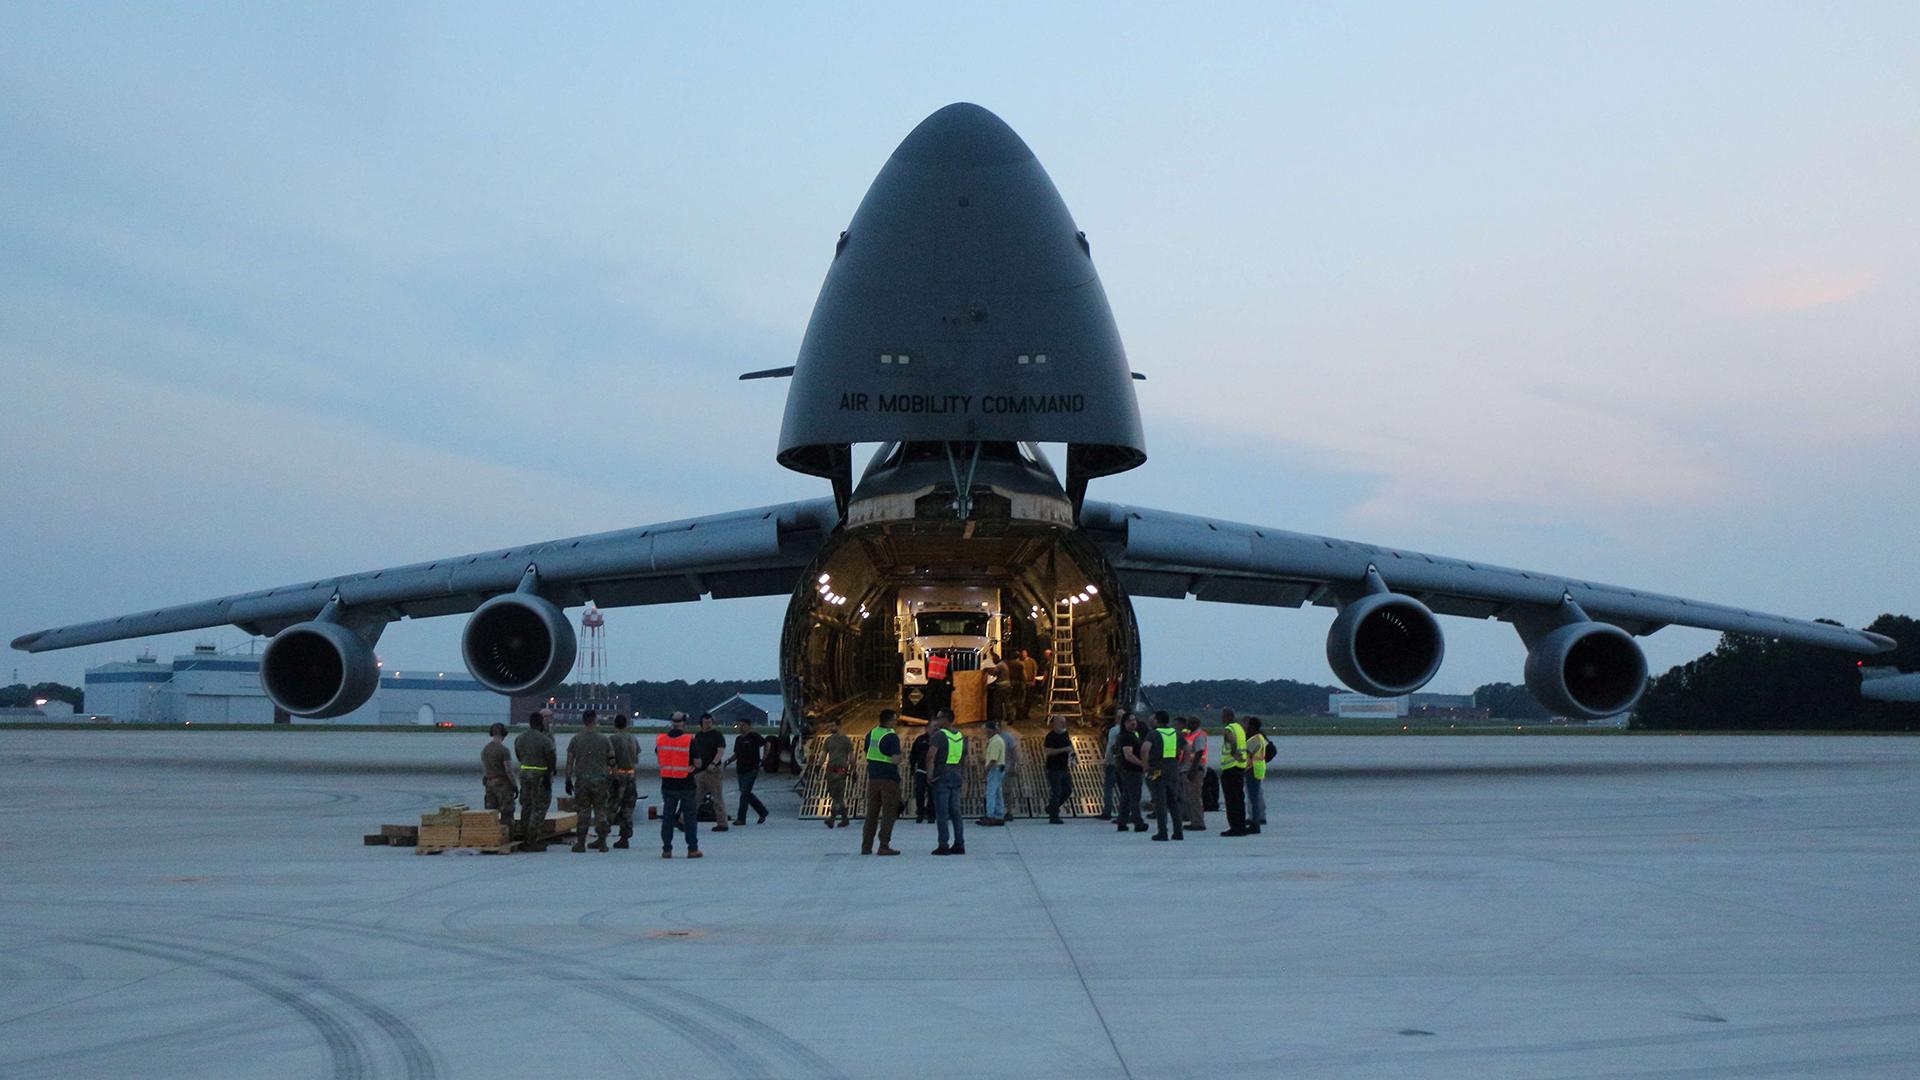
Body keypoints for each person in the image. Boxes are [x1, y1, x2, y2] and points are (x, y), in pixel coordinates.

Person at [565, 710, 614, 852]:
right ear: (595, 720)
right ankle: (603, 842)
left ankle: (580, 843)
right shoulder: (604, 739)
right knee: (601, 811)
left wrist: (568, 779)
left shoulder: (576, 739)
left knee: (583, 811)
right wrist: (613, 776)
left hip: (583, 780)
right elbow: (611, 760)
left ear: (583, 721)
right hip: (600, 779)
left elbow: (570, 762)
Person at [655, 712, 702, 858]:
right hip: (686, 784)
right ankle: (692, 849)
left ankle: (667, 849)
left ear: (671, 723)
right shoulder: (688, 740)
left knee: (668, 818)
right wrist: (692, 768)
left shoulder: (661, 739)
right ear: (684, 723)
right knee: (689, 818)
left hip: (668, 784)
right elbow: (698, 763)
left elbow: (660, 756)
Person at [513, 709, 557, 851]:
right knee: (539, 807)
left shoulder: (520, 738)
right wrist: (549, 773)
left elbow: (519, 755)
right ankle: (532, 840)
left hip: (524, 773)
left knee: (526, 805)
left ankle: (524, 834)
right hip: (540, 774)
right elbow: (551, 758)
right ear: (541, 723)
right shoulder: (545, 739)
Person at [861, 709, 903, 855]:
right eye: (895, 719)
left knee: (871, 813)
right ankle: (884, 845)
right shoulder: (892, 737)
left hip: (873, 778)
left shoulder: (871, 734)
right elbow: (896, 759)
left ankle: (866, 847)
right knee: (888, 813)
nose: (896, 722)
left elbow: (868, 752)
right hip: (889, 779)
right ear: (889, 721)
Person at [926, 709, 966, 855]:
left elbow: (931, 756)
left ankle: (943, 845)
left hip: (941, 776)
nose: (936, 720)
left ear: (945, 719)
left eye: (938, 717)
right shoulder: (960, 736)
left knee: (942, 813)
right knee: (956, 812)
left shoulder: (939, 735)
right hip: (956, 775)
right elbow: (962, 757)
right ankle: (959, 844)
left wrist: (929, 775)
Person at [1145, 710, 1186, 841]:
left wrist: (1145, 765)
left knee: (1160, 803)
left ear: (1157, 720)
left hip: (1157, 770)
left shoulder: (1153, 734)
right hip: (1173, 770)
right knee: (1173, 802)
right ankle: (1178, 832)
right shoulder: (1177, 734)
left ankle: (1162, 832)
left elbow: (1145, 749)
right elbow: (1188, 749)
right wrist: (1182, 764)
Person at [608, 713, 642, 848]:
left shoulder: (613, 739)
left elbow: (609, 756)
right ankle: (625, 837)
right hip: (631, 775)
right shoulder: (633, 738)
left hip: (619, 774)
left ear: (615, 725)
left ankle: (603, 835)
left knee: (611, 806)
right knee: (628, 808)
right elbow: (637, 755)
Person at [691, 713, 729, 831]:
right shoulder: (698, 736)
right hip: (699, 771)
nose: (708, 724)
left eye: (710, 722)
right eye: (706, 722)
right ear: (701, 723)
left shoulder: (717, 735)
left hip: (713, 771)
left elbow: (720, 751)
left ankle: (722, 823)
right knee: (695, 798)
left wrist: (713, 763)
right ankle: (686, 820)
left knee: (717, 797)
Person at [728, 719, 770, 825]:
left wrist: (764, 758)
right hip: (740, 769)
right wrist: (727, 761)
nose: (741, 727)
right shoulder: (738, 739)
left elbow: (767, 744)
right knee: (745, 793)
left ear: (749, 726)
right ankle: (762, 811)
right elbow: (736, 754)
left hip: (751, 769)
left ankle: (741, 818)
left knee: (744, 794)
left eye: (743, 725)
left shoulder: (753, 736)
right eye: (740, 725)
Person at [1217, 708, 1250, 838]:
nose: (1221, 718)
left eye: (1222, 716)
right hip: (1239, 768)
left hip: (1231, 768)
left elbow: (1232, 741)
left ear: (1227, 717)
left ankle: (1234, 827)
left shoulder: (1229, 729)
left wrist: (1234, 753)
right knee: (1239, 799)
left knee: (1231, 800)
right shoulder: (1239, 728)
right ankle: (1241, 826)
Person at [1115, 713, 1148, 832]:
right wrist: (1142, 764)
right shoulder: (1126, 736)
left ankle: (1122, 822)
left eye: (1134, 720)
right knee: (1134, 797)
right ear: (1124, 723)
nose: (1133, 722)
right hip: (1131, 770)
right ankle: (1138, 822)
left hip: (1128, 770)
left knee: (1127, 797)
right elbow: (1128, 754)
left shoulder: (1132, 735)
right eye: (1130, 721)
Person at [481, 722, 517, 830]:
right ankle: (507, 836)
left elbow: (485, 768)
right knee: (507, 813)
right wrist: (514, 785)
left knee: (491, 813)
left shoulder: (485, 750)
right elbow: (508, 770)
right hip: (502, 784)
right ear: (504, 734)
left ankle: (491, 835)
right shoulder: (504, 750)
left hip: (489, 783)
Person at [820, 719, 854, 827]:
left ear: (839, 726)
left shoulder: (844, 740)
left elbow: (852, 757)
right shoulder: (829, 740)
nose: (831, 728)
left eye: (833, 725)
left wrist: (854, 769)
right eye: (830, 726)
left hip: (839, 771)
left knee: (836, 795)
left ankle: (832, 818)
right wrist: (818, 766)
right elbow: (823, 755)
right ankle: (845, 819)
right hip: (832, 771)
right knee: (836, 795)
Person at [1042, 714, 1075, 823]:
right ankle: (1054, 816)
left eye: (1064, 722)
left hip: (1064, 767)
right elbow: (1048, 751)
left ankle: (1052, 807)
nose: (1063, 724)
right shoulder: (1050, 736)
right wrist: (1063, 749)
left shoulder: (1065, 734)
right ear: (1055, 724)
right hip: (1053, 768)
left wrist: (1073, 756)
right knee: (1056, 791)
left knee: (1068, 789)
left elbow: (1070, 747)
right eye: (1061, 722)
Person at [1181, 715, 1209, 832]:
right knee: (1190, 797)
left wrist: (1193, 769)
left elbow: (1199, 752)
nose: (1188, 725)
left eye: (1190, 723)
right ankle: (1194, 820)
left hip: (1195, 769)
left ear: (1196, 724)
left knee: (1194, 797)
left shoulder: (1199, 735)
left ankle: (1198, 822)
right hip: (1189, 768)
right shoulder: (1190, 735)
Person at [979, 719, 1008, 825]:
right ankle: (999, 815)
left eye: (986, 730)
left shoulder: (995, 742)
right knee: (998, 792)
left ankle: (990, 815)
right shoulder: (997, 740)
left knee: (991, 792)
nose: (985, 732)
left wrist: (986, 771)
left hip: (994, 769)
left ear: (990, 730)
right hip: (999, 769)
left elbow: (993, 759)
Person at [1244, 716, 1268, 833]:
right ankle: (1256, 819)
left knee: (1253, 797)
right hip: (1258, 769)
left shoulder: (1253, 740)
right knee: (1255, 795)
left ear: (1252, 727)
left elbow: (1245, 754)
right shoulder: (1260, 737)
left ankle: (1255, 822)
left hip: (1251, 770)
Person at [1099, 708, 1123, 819]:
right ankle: (1125, 812)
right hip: (1124, 764)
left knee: (1108, 787)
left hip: (1113, 763)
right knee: (1123, 789)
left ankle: (1107, 812)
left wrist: (1106, 761)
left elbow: (1110, 747)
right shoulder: (1131, 731)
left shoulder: (1114, 730)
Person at [910, 728, 933, 823]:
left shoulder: (939, 738)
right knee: (919, 792)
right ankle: (920, 813)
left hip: (934, 770)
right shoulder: (920, 739)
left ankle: (931, 814)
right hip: (921, 769)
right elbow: (913, 753)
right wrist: (912, 766)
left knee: (933, 794)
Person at [1014, 647, 1038, 724]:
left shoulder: (1031, 661)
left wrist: (1033, 680)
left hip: (1029, 682)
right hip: (1021, 682)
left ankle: (1025, 713)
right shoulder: (1018, 661)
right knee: (1020, 699)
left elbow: (1035, 671)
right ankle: (1019, 714)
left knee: (1028, 699)